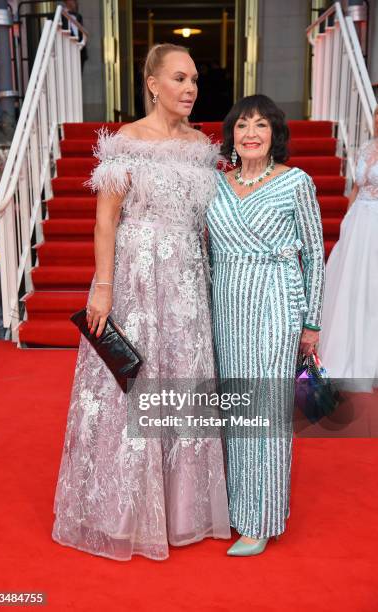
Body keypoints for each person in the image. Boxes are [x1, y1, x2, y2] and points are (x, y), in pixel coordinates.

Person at [52, 43, 231, 562]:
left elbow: (208, 224)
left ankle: (180, 512)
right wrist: (102, 287)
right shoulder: (126, 141)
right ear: (152, 84)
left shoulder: (203, 146)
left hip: (187, 285)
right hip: (134, 278)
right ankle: (120, 512)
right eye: (179, 78)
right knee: (131, 383)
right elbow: (105, 218)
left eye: (194, 79)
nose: (190, 89)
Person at [207, 94, 325, 556]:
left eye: (261, 125)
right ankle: (238, 508)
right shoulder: (216, 186)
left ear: (276, 133)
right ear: (231, 135)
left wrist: (311, 323)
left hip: (277, 302)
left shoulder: (296, 182)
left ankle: (262, 519)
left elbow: (314, 254)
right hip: (226, 308)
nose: (251, 133)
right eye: (242, 125)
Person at [319, 107, 378, 391]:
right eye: (376, 116)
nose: (377, 121)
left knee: (371, 288)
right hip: (357, 224)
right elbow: (356, 187)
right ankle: (344, 350)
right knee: (350, 287)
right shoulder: (366, 147)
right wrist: (346, 219)